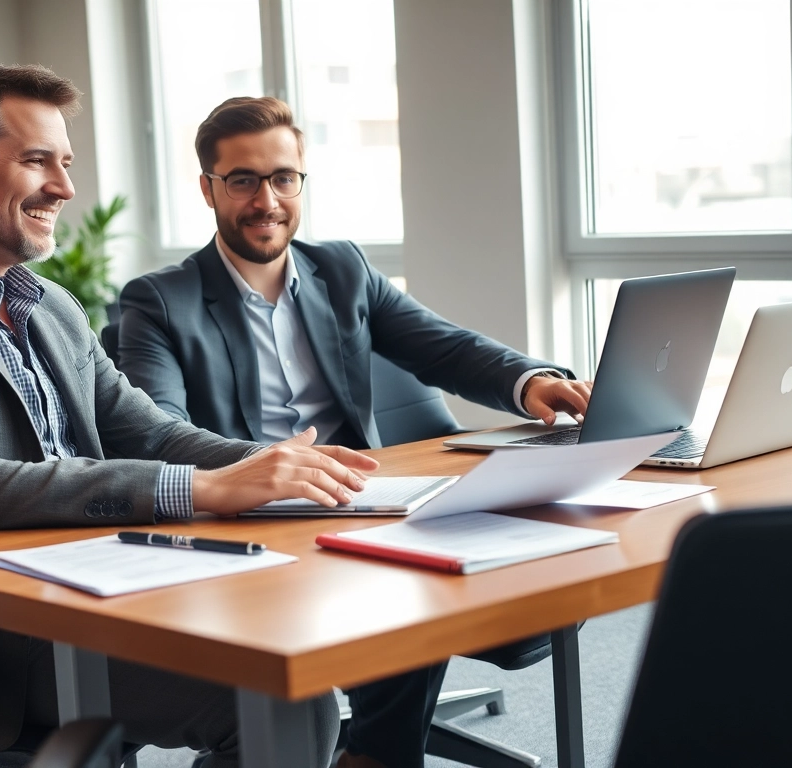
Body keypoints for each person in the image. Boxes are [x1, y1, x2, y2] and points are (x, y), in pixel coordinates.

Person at [0, 65, 376, 767]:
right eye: (36, 161)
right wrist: (193, 490)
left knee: (302, 631)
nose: (66, 189)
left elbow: (149, 430)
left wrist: (270, 468)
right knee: (284, 697)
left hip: (102, 580)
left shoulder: (50, 305)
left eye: (65, 163)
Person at [116, 96, 594, 768]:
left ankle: (370, 755)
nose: (267, 200)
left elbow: (445, 347)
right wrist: (264, 471)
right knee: (400, 579)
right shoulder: (161, 300)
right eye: (244, 180)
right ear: (209, 188)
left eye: (284, 178)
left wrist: (532, 381)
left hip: (354, 504)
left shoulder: (341, 269)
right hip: (246, 521)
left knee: (460, 555)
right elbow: (156, 430)